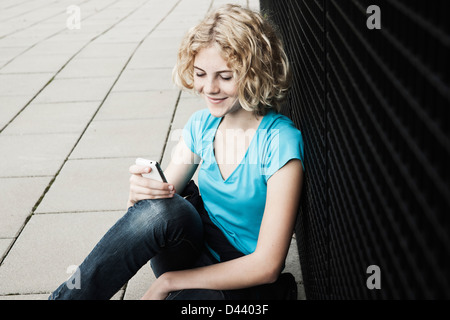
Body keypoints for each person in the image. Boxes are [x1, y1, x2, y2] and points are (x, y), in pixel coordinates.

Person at [49, 4, 304, 300]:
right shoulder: (202, 125)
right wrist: (138, 196)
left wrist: (167, 282)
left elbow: (267, 265)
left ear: (255, 73)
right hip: (192, 249)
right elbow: (158, 212)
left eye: (225, 75)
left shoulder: (279, 140)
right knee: (160, 207)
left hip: (243, 277)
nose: (210, 88)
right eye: (200, 73)